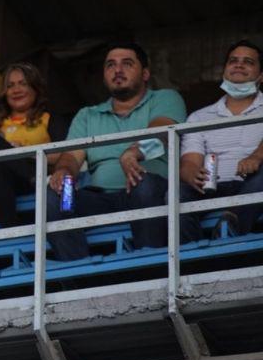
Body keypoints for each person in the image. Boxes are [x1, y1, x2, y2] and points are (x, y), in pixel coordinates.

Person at [47, 43, 186, 260]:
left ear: (146, 73)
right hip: (100, 198)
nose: (117, 70)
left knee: (144, 184)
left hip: (148, 191)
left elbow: (161, 131)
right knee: (56, 197)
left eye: (127, 64)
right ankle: (80, 277)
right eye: (110, 65)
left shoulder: (166, 98)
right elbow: (72, 157)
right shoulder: (87, 115)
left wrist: (134, 151)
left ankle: (149, 269)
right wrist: (64, 171)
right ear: (104, 75)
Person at [0, 63, 68, 228]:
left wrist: (25, 154)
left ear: (35, 88)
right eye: (10, 85)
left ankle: (8, 232)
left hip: (28, 187)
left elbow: (66, 154)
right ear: (4, 93)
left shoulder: (49, 119)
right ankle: (31, 175)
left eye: (23, 83)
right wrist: (6, 152)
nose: (16, 90)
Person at [180, 40, 263, 240]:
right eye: (233, 61)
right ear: (224, 71)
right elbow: (190, 162)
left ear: (261, 76)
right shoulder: (199, 117)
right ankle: (191, 255)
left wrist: (257, 157)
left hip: (252, 184)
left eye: (248, 62)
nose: (239, 65)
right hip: (211, 186)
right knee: (175, 194)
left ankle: (231, 224)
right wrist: (191, 173)